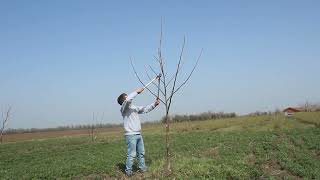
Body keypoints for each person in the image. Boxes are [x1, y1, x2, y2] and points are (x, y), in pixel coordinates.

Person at [117, 87, 160, 176]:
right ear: (124, 100)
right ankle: (128, 171)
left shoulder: (134, 107)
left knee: (141, 153)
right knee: (132, 154)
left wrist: (154, 104)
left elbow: (145, 109)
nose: (128, 96)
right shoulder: (124, 108)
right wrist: (136, 92)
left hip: (138, 134)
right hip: (130, 135)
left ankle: (142, 168)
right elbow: (128, 100)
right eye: (127, 96)